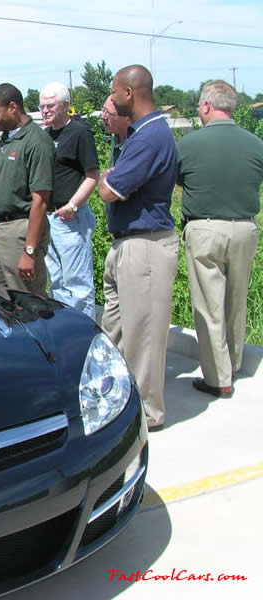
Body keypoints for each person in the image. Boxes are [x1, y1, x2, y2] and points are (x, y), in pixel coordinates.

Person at [97, 65, 178, 431]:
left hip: (145, 246)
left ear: (129, 93)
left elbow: (109, 191)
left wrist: (105, 180)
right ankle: (118, 401)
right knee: (115, 330)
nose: (111, 100)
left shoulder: (148, 137)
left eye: (114, 93)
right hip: (127, 245)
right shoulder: (140, 135)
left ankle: (146, 414)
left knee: (143, 337)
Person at [177, 80, 263, 398]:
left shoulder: (189, 144)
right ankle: (235, 363)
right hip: (245, 228)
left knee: (209, 306)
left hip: (205, 229)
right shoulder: (255, 143)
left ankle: (218, 378)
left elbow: (175, 180)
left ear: (206, 106)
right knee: (236, 301)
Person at [0, 83, 55, 297]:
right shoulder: (0, 142)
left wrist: (29, 251)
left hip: (20, 230)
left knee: (26, 302)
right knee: (0, 301)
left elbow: (40, 200)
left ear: (13, 107)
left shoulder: (36, 142)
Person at [39, 82, 99, 318]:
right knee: (57, 282)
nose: (45, 111)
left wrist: (73, 205)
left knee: (78, 284)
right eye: (42, 106)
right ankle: (65, 327)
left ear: (66, 106)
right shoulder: (45, 136)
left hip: (71, 219)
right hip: (49, 218)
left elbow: (92, 175)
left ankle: (83, 337)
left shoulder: (79, 133)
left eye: (51, 105)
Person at [101, 96, 131, 166]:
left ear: (126, 117)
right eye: (103, 110)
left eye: (109, 113)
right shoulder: (115, 137)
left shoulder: (138, 145)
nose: (103, 117)